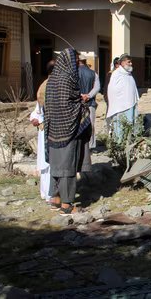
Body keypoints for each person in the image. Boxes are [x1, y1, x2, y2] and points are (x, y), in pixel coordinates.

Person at [44, 48, 92, 216]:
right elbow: (67, 106)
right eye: (76, 61)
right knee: (67, 168)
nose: (78, 64)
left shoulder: (52, 80)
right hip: (67, 130)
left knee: (56, 167)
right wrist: (82, 104)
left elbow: (52, 104)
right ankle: (67, 204)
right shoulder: (67, 79)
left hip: (53, 130)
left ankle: (55, 199)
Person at [29, 59, 55, 205]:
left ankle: (50, 193)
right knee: (48, 164)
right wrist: (36, 119)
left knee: (51, 164)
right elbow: (38, 112)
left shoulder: (48, 85)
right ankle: (48, 193)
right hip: (48, 130)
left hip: (51, 129)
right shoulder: (47, 86)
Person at [106, 53, 139, 142]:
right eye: (129, 62)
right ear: (123, 63)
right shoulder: (116, 74)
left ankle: (128, 143)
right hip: (120, 107)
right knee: (120, 126)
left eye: (131, 62)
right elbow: (112, 90)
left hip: (130, 105)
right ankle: (119, 144)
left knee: (129, 125)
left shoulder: (129, 74)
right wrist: (120, 101)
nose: (131, 64)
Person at [77, 54, 100, 150]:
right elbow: (97, 87)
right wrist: (89, 96)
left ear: (78, 61)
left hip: (77, 103)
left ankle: (80, 144)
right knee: (91, 123)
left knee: (78, 124)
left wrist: (81, 95)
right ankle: (91, 145)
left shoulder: (73, 73)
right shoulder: (93, 73)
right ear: (86, 61)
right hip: (90, 103)